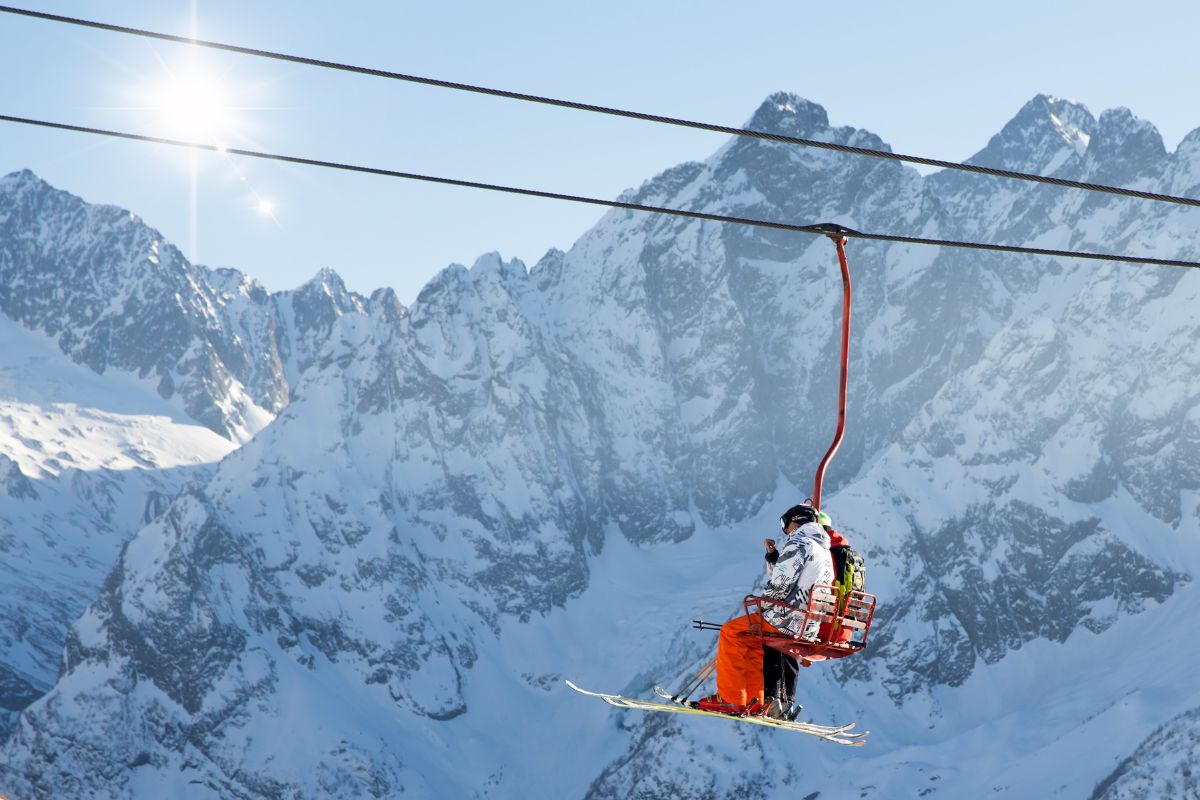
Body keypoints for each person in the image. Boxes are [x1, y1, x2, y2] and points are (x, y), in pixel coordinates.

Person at [701, 502, 834, 718]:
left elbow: (780, 584)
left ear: (796, 521)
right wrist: (774, 558)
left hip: (786, 618)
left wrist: (765, 606)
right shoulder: (823, 549)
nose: (785, 530)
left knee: (731, 632)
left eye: (785, 523)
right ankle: (756, 701)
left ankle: (731, 699)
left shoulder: (800, 543)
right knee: (752, 639)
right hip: (807, 622)